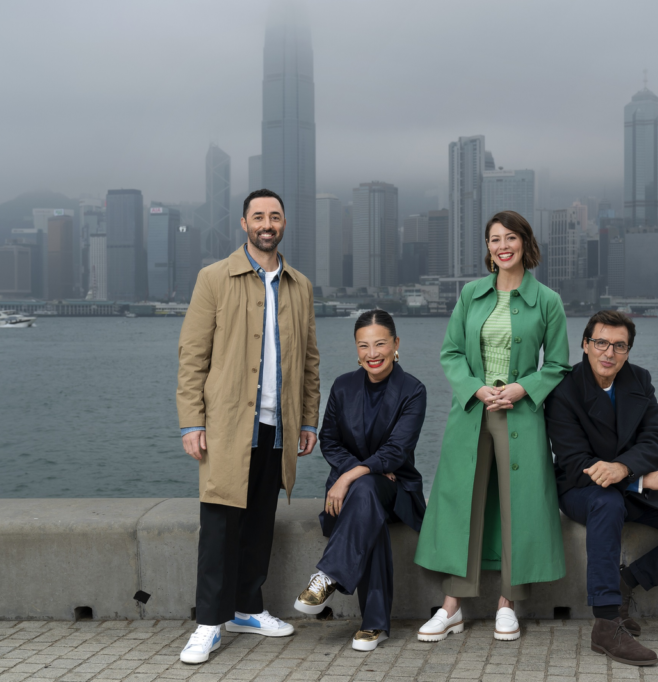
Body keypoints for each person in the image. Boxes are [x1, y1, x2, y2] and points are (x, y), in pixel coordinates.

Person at [176, 188, 321, 664]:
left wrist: (307, 420)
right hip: (227, 426)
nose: (266, 223)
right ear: (243, 224)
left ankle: (247, 607)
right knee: (219, 525)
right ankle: (208, 623)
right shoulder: (214, 278)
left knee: (260, 521)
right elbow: (192, 356)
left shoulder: (299, 285)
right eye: (258, 216)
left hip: (278, 427)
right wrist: (191, 422)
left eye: (274, 216)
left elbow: (310, 361)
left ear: (283, 224)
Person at [414, 210, 571, 642]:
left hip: (520, 413)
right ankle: (452, 607)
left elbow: (557, 364)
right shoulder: (471, 295)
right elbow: (451, 354)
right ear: (488, 248)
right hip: (473, 411)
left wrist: (521, 389)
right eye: (494, 239)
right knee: (464, 503)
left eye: (510, 238)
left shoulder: (548, 302)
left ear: (525, 242)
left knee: (517, 505)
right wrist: (478, 390)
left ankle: (508, 603)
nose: (502, 246)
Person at [546, 310, 658, 667]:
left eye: (619, 346)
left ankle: (626, 582)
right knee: (607, 504)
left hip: (632, 483)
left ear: (628, 351)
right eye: (600, 343)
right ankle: (606, 623)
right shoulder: (564, 389)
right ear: (585, 345)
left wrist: (628, 470)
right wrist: (641, 478)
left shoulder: (638, 380)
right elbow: (575, 460)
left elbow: (656, 438)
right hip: (582, 489)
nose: (608, 353)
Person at [292, 309, 427, 651]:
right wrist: (364, 471)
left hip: (397, 491)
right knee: (367, 502)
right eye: (364, 346)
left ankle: (328, 576)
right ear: (356, 349)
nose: (372, 354)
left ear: (396, 344)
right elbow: (330, 440)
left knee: (365, 489)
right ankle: (375, 625)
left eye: (380, 344)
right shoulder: (343, 386)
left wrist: (349, 475)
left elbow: (398, 450)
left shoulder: (413, 390)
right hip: (357, 493)